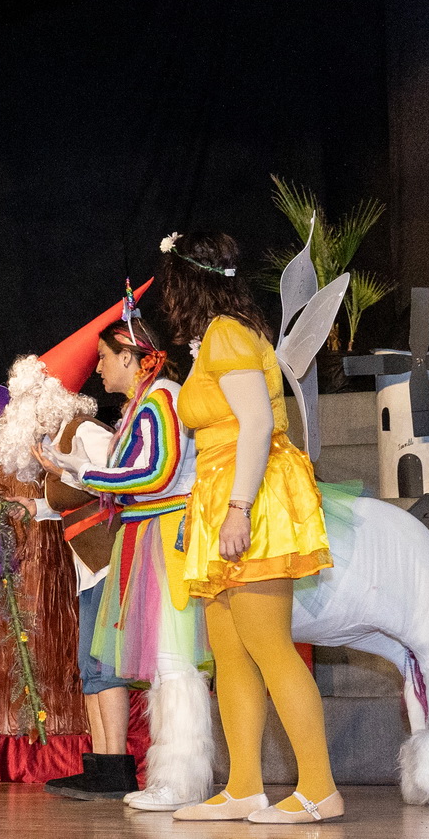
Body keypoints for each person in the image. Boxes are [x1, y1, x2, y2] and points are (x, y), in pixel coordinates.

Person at [159, 231, 341, 823]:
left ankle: (320, 788)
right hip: (220, 492)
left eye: (171, 285)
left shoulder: (227, 334)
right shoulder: (217, 337)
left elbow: (258, 424)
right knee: (230, 653)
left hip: (250, 494)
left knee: (269, 647)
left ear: (188, 283)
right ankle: (243, 786)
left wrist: (238, 508)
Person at [37, 315, 212, 810]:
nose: (98, 369)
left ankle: (180, 781)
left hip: (169, 533)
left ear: (130, 357)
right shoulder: (141, 405)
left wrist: (86, 471)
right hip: (147, 534)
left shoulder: (163, 398)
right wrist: (74, 469)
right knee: (166, 664)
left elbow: (157, 473)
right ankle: (172, 778)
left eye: (104, 358)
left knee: (174, 663)